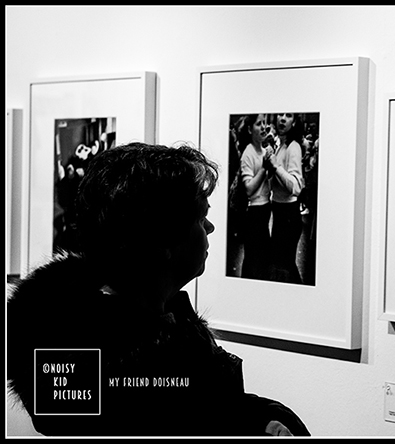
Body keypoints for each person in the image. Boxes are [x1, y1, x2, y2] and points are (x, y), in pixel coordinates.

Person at [7, 142, 310, 437]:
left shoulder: (158, 319)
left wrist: (260, 419)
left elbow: (210, 408)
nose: (210, 228)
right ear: (163, 239)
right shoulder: (101, 362)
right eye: (199, 217)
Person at [265, 113, 305, 284]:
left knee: (285, 265)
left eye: (288, 116)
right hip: (281, 212)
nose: (282, 118)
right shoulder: (282, 145)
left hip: (288, 214)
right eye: (280, 115)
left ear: (294, 122)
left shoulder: (293, 147)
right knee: (281, 264)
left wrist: (275, 165)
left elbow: (295, 187)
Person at [239, 114, 275, 281]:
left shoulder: (262, 150)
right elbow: (249, 189)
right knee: (254, 258)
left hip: (264, 208)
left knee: (264, 255)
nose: (263, 127)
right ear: (249, 129)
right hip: (254, 211)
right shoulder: (248, 153)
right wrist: (264, 168)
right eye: (259, 124)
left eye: (265, 124)